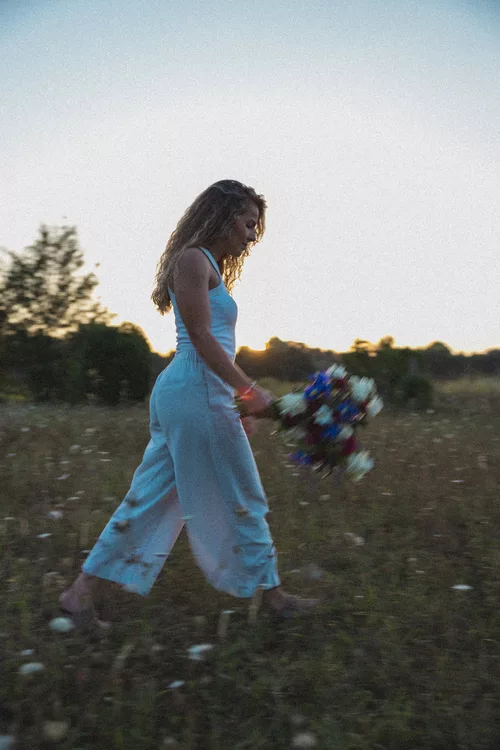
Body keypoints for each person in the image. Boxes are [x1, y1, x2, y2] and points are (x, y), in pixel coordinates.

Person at [60, 179, 318, 628]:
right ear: (222, 215)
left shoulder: (204, 263)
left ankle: (80, 595)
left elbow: (214, 340)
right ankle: (276, 601)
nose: (252, 234)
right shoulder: (192, 260)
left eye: (256, 225)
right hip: (196, 392)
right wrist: (249, 391)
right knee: (243, 492)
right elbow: (200, 337)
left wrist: (235, 400)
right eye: (247, 222)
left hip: (198, 393)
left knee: (149, 498)